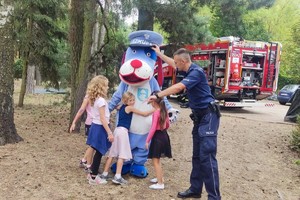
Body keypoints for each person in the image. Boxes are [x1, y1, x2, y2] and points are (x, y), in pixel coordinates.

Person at [148, 46, 221, 199]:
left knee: (207, 157)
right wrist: (159, 54)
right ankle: (195, 189)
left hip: (209, 116)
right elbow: (172, 63)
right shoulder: (187, 68)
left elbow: (179, 87)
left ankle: (214, 197)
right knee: (196, 156)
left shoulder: (196, 72)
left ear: (183, 61)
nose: (174, 66)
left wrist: (159, 95)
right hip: (199, 117)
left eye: (176, 62)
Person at [100, 91, 154, 185]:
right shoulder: (129, 108)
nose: (132, 102)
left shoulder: (121, 107)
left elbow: (118, 107)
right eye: (130, 100)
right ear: (125, 100)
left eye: (133, 100)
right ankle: (117, 176)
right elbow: (144, 114)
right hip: (123, 132)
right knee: (122, 155)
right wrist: (155, 109)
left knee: (112, 154)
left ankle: (104, 174)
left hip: (117, 130)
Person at [85, 75, 114, 185]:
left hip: (94, 126)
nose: (107, 88)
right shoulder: (101, 100)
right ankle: (93, 177)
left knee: (95, 149)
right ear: (101, 87)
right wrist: (109, 132)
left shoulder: (94, 99)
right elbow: (103, 118)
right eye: (106, 85)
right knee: (99, 152)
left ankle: (91, 171)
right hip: (100, 127)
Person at [145, 91, 172, 190]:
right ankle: (159, 178)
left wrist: (147, 140)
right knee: (158, 159)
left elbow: (152, 128)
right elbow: (168, 124)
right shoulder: (164, 110)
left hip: (157, 136)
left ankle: (160, 183)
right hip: (164, 134)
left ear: (153, 101)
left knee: (155, 160)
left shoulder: (156, 112)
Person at [69, 94, 94, 172]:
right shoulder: (87, 97)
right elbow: (81, 110)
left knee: (92, 146)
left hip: (97, 123)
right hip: (90, 123)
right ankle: (88, 165)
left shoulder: (99, 96)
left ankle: (84, 161)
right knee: (92, 145)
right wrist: (74, 122)